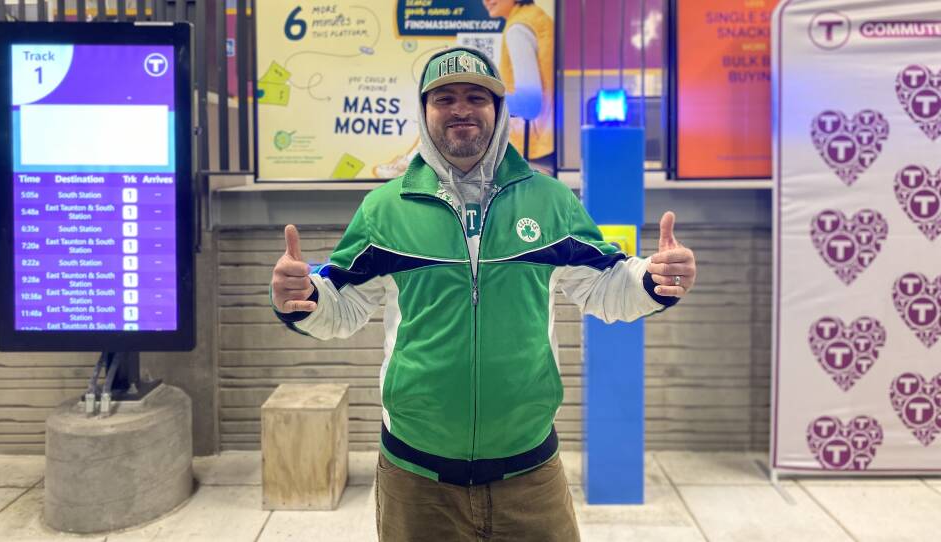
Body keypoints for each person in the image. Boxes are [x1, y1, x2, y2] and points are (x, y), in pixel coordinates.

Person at [270, 47, 697, 542]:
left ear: (498, 111)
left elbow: (606, 285)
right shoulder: (384, 211)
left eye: (477, 96)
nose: (461, 109)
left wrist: (653, 279)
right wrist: (301, 298)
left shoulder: (550, 200)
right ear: (424, 111)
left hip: (529, 473)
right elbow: (341, 305)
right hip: (416, 475)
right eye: (444, 98)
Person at [484, 0, 555, 170]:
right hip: (547, 142)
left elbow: (529, 103)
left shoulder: (518, 29)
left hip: (534, 150)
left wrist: (484, 102)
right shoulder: (538, 18)